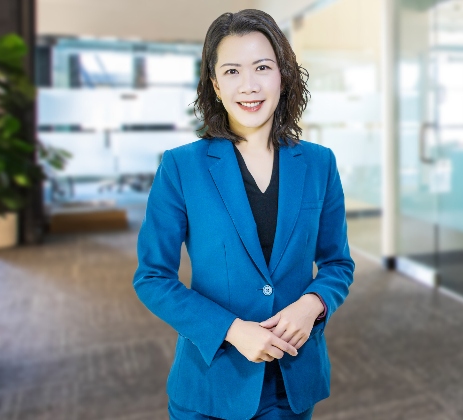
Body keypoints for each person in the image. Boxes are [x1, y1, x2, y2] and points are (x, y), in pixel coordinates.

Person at [133, 9, 355, 420]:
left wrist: (313, 303)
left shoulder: (320, 164)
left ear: (283, 76)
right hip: (212, 387)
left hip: (292, 386)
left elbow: (338, 263)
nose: (249, 86)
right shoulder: (182, 167)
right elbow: (152, 277)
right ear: (215, 85)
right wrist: (232, 330)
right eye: (232, 71)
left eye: (262, 68)